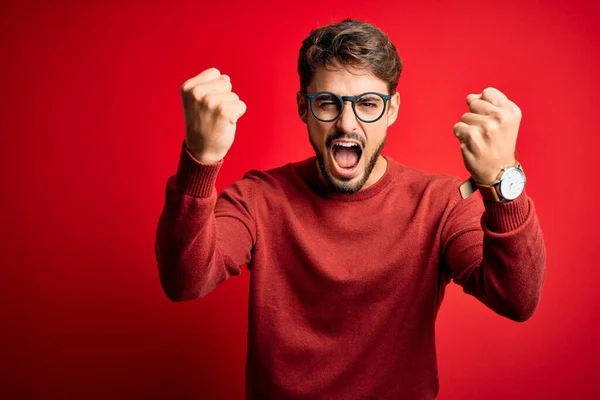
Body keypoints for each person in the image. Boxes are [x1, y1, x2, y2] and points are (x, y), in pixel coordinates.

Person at [155, 18, 546, 400]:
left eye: (368, 103)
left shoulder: (440, 204)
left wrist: (503, 180)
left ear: (392, 110)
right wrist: (201, 160)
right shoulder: (260, 198)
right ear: (303, 108)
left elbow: (516, 298)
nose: (347, 123)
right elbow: (185, 280)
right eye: (327, 102)